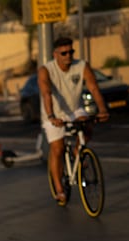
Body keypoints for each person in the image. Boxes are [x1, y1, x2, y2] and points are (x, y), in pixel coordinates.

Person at [39, 36, 110, 206]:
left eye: (71, 51)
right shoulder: (46, 70)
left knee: (87, 125)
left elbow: (93, 87)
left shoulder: (82, 66)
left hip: (74, 109)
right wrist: (51, 116)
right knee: (57, 148)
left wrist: (102, 109)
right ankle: (59, 190)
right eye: (64, 53)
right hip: (53, 113)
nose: (68, 56)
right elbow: (46, 93)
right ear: (55, 54)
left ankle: (79, 151)